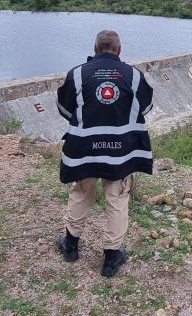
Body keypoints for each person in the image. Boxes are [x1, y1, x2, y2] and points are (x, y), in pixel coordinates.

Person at [55, 29, 154, 277]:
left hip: (84, 149)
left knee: (81, 192)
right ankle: (111, 258)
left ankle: (70, 246)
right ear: (119, 50)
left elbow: (65, 109)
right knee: (117, 198)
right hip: (121, 151)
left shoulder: (77, 74)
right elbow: (145, 107)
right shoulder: (134, 75)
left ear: (95, 48)